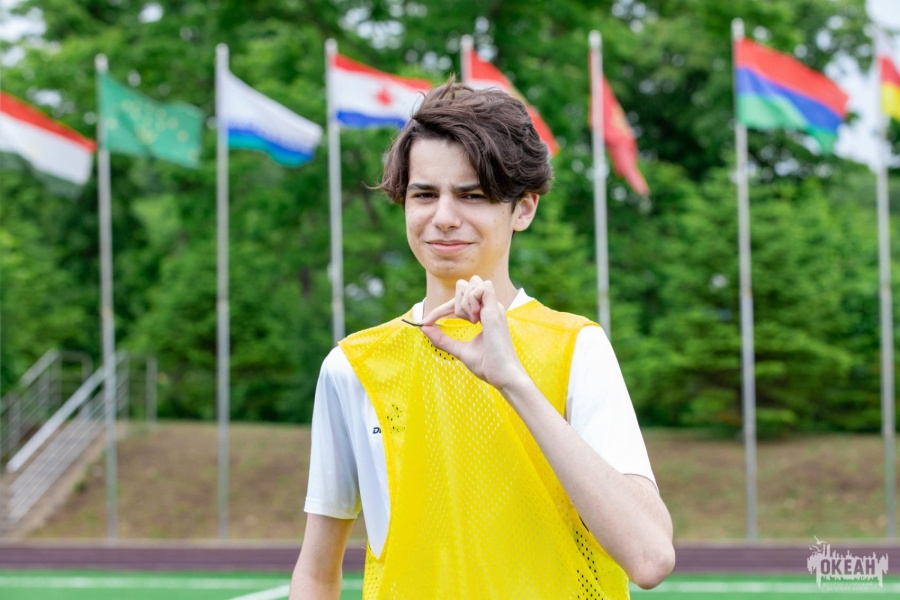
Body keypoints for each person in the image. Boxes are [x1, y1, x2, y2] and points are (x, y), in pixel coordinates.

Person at [290, 77, 674, 599]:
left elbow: (649, 558)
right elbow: (317, 573)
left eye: (472, 195)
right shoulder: (353, 366)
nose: (444, 218)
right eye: (425, 194)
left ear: (524, 209)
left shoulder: (577, 347)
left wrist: (512, 380)